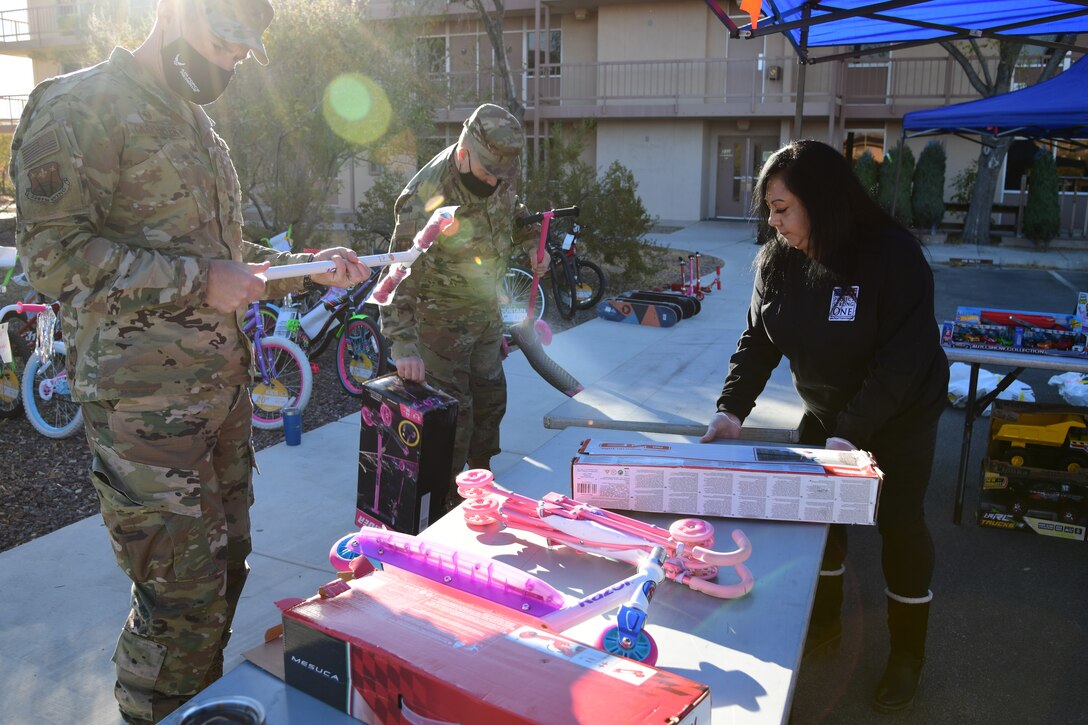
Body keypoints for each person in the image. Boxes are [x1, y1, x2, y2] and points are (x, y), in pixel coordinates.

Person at [9, 1, 370, 722]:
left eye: (243, 50)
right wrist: (196, 281)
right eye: (225, 40)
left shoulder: (199, 128)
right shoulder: (77, 105)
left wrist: (310, 268)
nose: (234, 60)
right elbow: (49, 257)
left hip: (219, 402)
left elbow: (228, 263)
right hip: (145, 414)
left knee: (221, 579)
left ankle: (194, 708)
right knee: (178, 600)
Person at [701, 139, 948, 712]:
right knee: (819, 517)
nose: (772, 221)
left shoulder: (890, 255)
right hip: (829, 414)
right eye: (768, 208)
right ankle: (827, 623)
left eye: (782, 208)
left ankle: (907, 654)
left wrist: (855, 430)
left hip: (900, 415)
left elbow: (904, 358)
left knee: (900, 526)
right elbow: (757, 341)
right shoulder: (778, 262)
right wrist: (730, 409)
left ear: (822, 201)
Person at [382, 103, 547, 499]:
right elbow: (397, 272)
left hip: (486, 315)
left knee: (490, 402)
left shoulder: (498, 171)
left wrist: (533, 247)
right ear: (462, 154)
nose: (494, 182)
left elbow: (513, 214)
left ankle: (480, 483)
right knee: (454, 421)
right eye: (488, 173)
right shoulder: (425, 195)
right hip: (440, 328)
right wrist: (403, 344)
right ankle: (444, 504)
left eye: (501, 176)